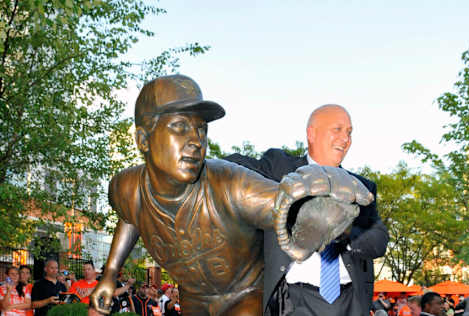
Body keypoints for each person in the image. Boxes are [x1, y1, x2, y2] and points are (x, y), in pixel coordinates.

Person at [90, 75, 373, 316]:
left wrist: (323, 204)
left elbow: (283, 205)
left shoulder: (229, 183)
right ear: (143, 140)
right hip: (193, 298)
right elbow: (130, 216)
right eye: (179, 127)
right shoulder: (125, 188)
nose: (195, 141)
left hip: (246, 294)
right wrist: (110, 274)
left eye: (201, 129)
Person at [225, 104, 389, 316]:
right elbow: (230, 167)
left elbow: (379, 240)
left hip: (350, 303)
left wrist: (342, 231)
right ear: (311, 133)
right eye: (337, 129)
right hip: (294, 301)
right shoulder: (280, 169)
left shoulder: (360, 187)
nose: (345, 138)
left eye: (349, 132)